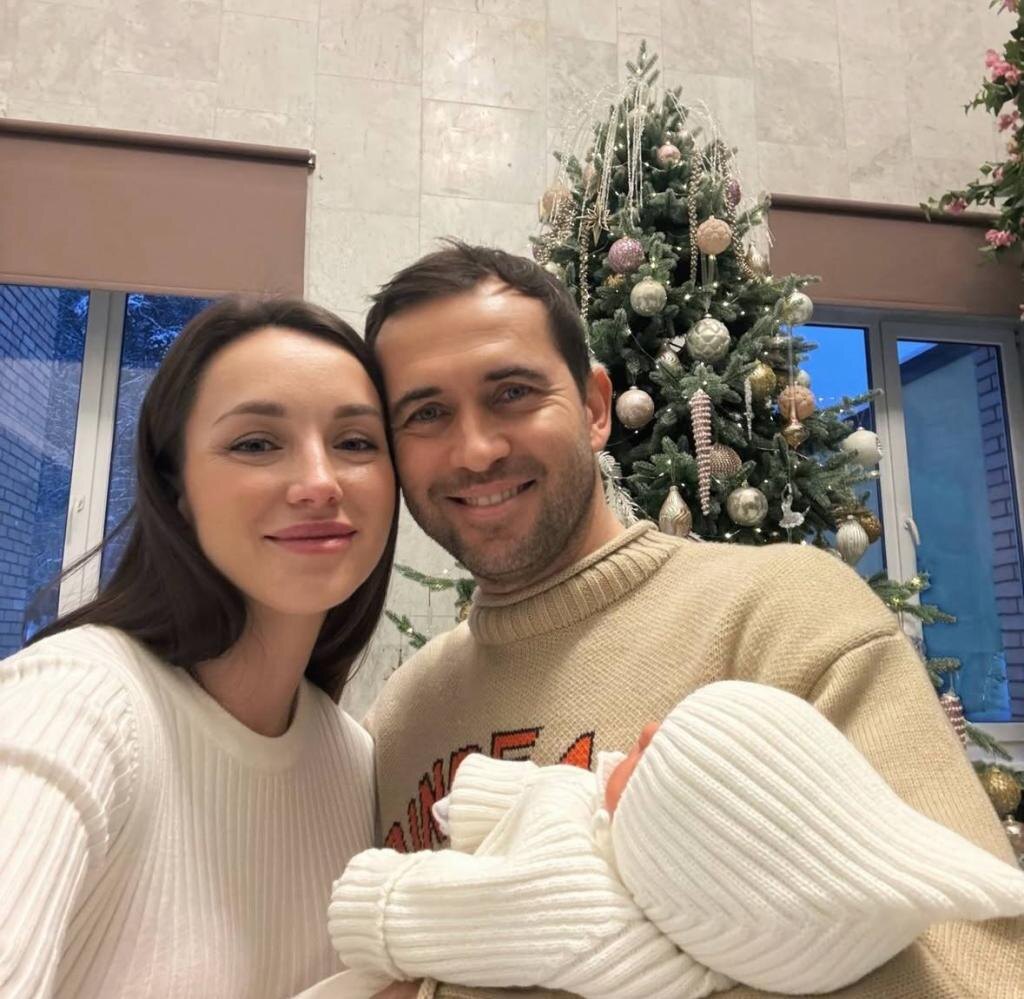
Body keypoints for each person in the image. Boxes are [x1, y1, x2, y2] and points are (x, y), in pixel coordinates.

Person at [360, 242, 1024, 998]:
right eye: (426, 414)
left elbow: (981, 965)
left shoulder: (786, 616)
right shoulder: (398, 718)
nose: (476, 450)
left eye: (512, 393)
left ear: (595, 408)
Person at [0, 298, 400, 999]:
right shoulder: (73, 702)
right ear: (175, 488)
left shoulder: (355, 762)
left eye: (357, 442)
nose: (320, 481)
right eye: (256, 443)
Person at [328, 681, 1024, 997]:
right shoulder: (639, 843)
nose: (647, 729)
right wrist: (485, 796)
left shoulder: (580, 908)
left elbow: (466, 913)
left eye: (656, 758)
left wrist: (377, 901)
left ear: (676, 862)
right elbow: (579, 791)